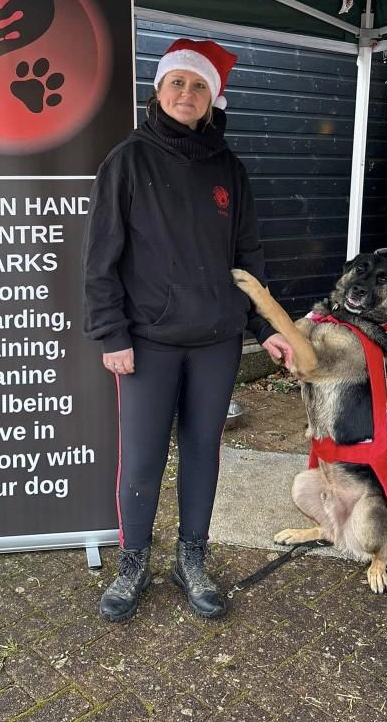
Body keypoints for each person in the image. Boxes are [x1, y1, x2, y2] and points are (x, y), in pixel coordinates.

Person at [82, 37, 291, 622]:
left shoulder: (230, 169)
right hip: (147, 341)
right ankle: (133, 563)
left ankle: (191, 559)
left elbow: (248, 257)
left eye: (199, 85)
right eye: (178, 82)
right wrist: (111, 333)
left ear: (212, 97)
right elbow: (100, 258)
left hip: (216, 340)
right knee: (142, 458)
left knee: (203, 452)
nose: (187, 93)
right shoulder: (127, 161)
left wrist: (266, 327)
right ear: (159, 88)